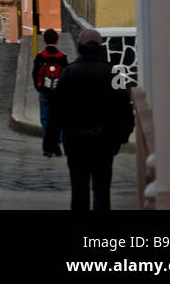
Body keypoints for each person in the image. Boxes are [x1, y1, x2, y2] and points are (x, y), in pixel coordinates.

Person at [44, 28, 134, 211]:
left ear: (79, 48)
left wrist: (50, 142)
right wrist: (122, 135)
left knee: (79, 190)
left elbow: (57, 111)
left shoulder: (69, 73)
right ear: (100, 48)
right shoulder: (114, 74)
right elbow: (124, 108)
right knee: (102, 188)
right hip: (105, 141)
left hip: (76, 141)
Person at [32, 28, 68, 157]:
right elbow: (66, 75)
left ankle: (47, 147)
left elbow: (35, 74)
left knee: (46, 119)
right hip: (58, 93)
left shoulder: (40, 56)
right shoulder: (62, 57)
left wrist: (39, 88)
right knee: (58, 120)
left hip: (45, 92)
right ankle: (56, 145)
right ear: (57, 41)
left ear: (45, 40)